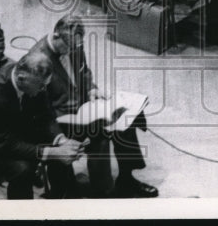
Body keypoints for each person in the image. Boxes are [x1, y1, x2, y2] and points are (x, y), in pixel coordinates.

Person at [29, 17, 158, 197]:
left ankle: (126, 179)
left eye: (76, 47)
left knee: (124, 119)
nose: (72, 51)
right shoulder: (37, 60)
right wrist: (61, 134)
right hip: (60, 121)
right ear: (57, 36)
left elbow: (84, 71)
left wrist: (91, 89)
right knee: (101, 136)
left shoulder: (74, 43)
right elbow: (39, 110)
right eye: (69, 48)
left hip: (84, 108)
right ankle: (103, 191)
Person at [0, 51, 86, 199]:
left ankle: (62, 196)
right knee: (23, 168)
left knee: (59, 148)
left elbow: (46, 115)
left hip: (12, 130)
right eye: (41, 86)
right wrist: (52, 153)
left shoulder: (34, 80)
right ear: (21, 78)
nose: (43, 90)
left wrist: (62, 141)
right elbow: (6, 144)